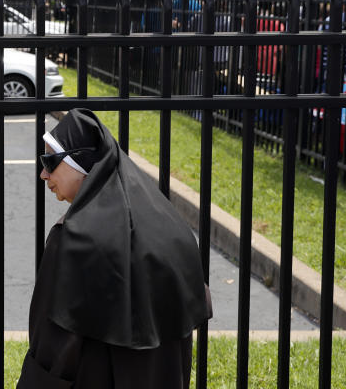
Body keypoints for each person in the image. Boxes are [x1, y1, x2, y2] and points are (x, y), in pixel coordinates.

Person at [18, 108, 210, 389]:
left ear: (82, 161)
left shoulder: (74, 239)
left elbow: (54, 340)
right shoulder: (171, 225)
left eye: (50, 161)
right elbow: (193, 308)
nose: (43, 174)